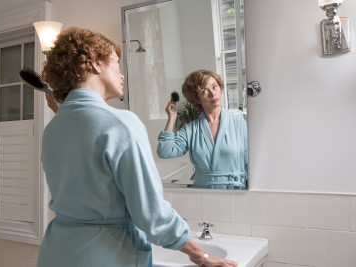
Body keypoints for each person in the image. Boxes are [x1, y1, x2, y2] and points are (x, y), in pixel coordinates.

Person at [38, 27, 237, 267]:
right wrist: (202, 256)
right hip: (107, 256)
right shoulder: (120, 123)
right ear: (95, 63)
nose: (121, 74)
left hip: (56, 252)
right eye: (116, 63)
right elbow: (152, 215)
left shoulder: (53, 128)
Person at [158, 70, 248, 189]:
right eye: (204, 91)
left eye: (215, 87)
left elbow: (250, 163)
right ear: (197, 98)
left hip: (234, 192)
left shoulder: (239, 121)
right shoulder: (191, 130)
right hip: (202, 194)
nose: (212, 93)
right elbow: (165, 151)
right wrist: (172, 117)